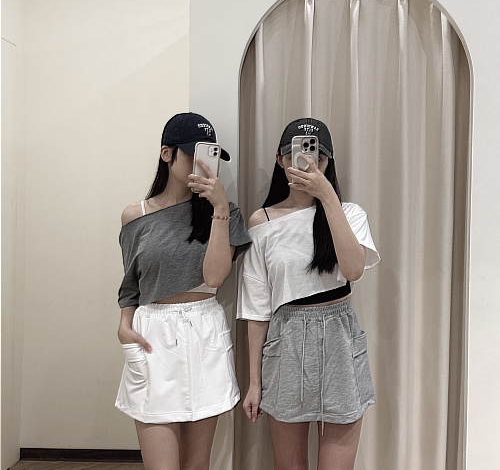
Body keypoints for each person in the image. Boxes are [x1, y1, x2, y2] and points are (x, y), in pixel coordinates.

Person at [237, 118, 380, 470]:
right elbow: (257, 307)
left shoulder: (349, 213)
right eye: (295, 155)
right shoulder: (262, 221)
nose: (307, 163)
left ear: (329, 162)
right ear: (279, 159)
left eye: (318, 157)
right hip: (285, 339)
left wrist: (327, 196)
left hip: (339, 338)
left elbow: (353, 270)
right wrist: (254, 382)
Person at [115, 112, 252, 470]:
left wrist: (219, 207)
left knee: (197, 465)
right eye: (194, 156)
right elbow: (131, 284)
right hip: (153, 335)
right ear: (167, 154)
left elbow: (215, 276)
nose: (204, 167)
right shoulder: (135, 215)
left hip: (203, 331)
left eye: (210, 157)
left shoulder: (227, 213)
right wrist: (124, 325)